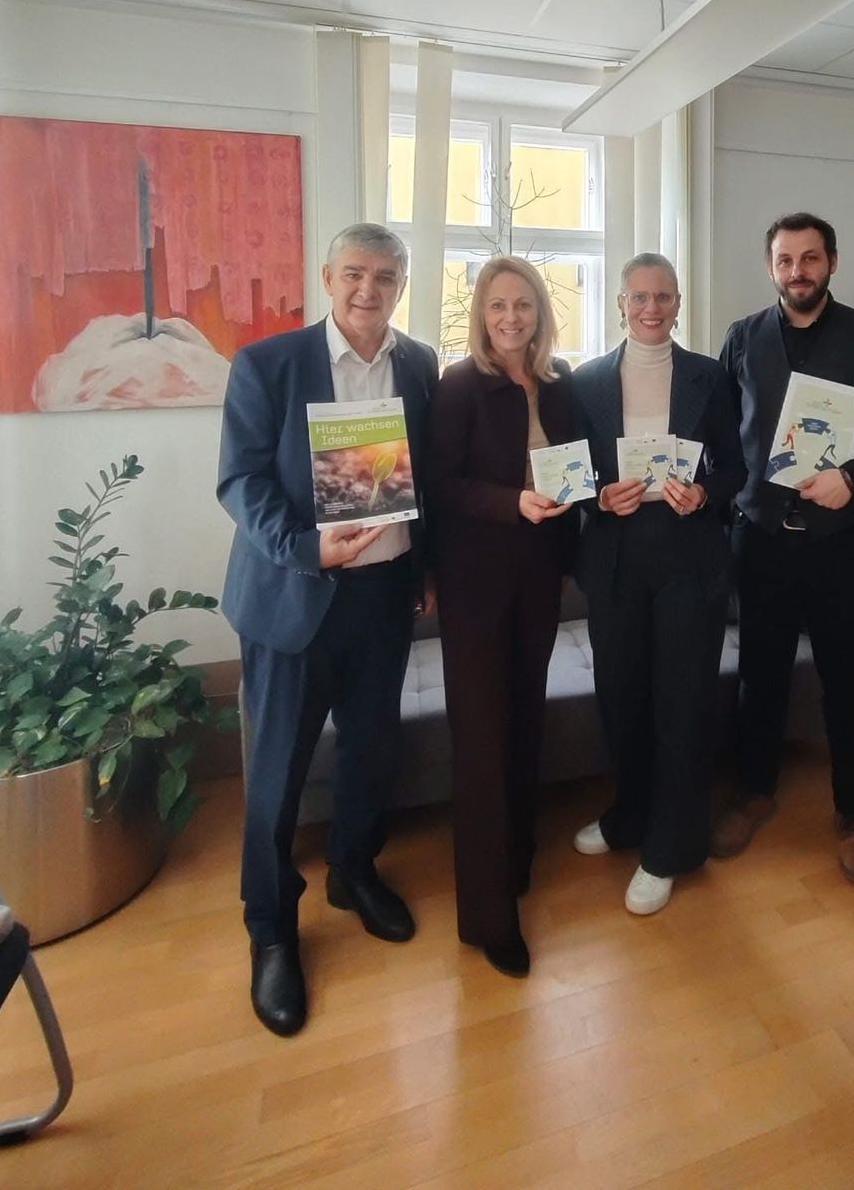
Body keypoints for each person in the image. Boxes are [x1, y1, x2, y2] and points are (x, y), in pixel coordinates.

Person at [218, 223, 436, 1037]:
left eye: (384, 276)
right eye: (353, 273)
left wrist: (425, 567)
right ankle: (272, 929)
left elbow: (422, 474)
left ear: (402, 284)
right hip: (295, 597)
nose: (367, 290)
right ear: (327, 276)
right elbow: (240, 481)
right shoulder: (268, 364)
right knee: (277, 773)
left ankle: (353, 871)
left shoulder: (420, 365)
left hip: (385, 598)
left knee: (373, 750)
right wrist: (307, 547)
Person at [713, 213, 854, 886]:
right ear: (770, 267)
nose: (797, 271)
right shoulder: (742, 338)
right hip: (762, 539)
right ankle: (754, 793)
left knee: (847, 680)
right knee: (760, 675)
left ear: (832, 261)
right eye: (785, 259)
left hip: (846, 542)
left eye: (809, 258)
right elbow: (723, 432)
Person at [573, 253, 746, 916]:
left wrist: (704, 492)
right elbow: (569, 473)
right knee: (621, 698)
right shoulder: (585, 381)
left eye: (664, 297)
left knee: (683, 703)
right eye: (640, 297)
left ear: (678, 303)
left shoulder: (708, 375)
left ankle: (671, 847)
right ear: (620, 302)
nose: (652, 308)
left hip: (689, 561)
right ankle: (629, 815)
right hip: (614, 561)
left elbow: (736, 467)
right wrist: (598, 496)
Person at [428, 256, 576, 977]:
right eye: (497, 306)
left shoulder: (559, 381)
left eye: (522, 304)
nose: (511, 317)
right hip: (476, 585)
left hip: (540, 577)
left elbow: (576, 466)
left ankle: (516, 857)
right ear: (480, 316)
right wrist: (510, 501)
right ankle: (488, 919)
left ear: (540, 312)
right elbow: (439, 485)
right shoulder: (459, 385)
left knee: (525, 719)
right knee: (483, 740)